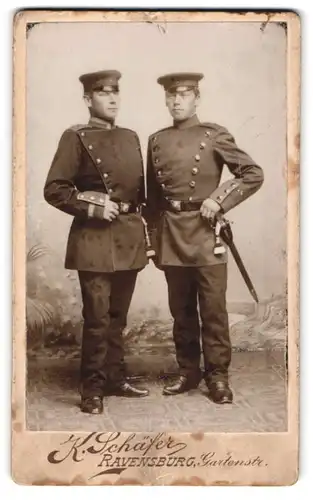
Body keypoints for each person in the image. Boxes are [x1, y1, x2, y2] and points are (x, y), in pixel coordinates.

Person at [146, 72, 264, 404]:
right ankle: (188, 372)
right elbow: (153, 200)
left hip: (205, 233)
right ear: (166, 100)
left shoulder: (214, 135)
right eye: (171, 96)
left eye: (184, 95)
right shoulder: (156, 140)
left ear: (197, 98)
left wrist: (219, 199)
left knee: (212, 309)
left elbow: (252, 174)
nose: (176, 101)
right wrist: (152, 240)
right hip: (171, 233)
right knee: (181, 310)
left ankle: (218, 377)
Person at [44, 70, 150, 414]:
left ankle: (116, 378)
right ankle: (92, 389)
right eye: (104, 94)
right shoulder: (75, 137)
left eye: (116, 93)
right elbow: (55, 189)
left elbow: (141, 195)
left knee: (118, 316)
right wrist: (92, 206)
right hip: (94, 240)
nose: (113, 99)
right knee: (98, 318)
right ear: (88, 99)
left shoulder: (131, 136)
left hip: (128, 237)